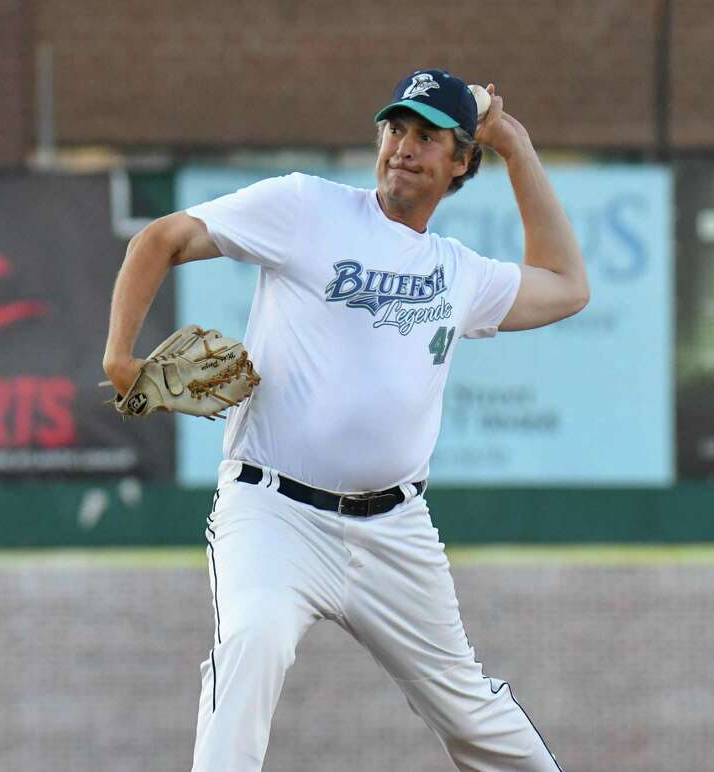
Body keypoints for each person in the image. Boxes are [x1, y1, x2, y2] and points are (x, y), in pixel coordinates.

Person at [103, 68, 587, 771]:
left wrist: (514, 142)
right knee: (254, 640)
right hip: (275, 514)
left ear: (461, 163)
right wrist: (122, 358)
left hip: (395, 531)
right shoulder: (308, 208)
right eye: (396, 128)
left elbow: (569, 285)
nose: (404, 148)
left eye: (428, 137)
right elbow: (162, 239)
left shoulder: (460, 274)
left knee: (470, 711)